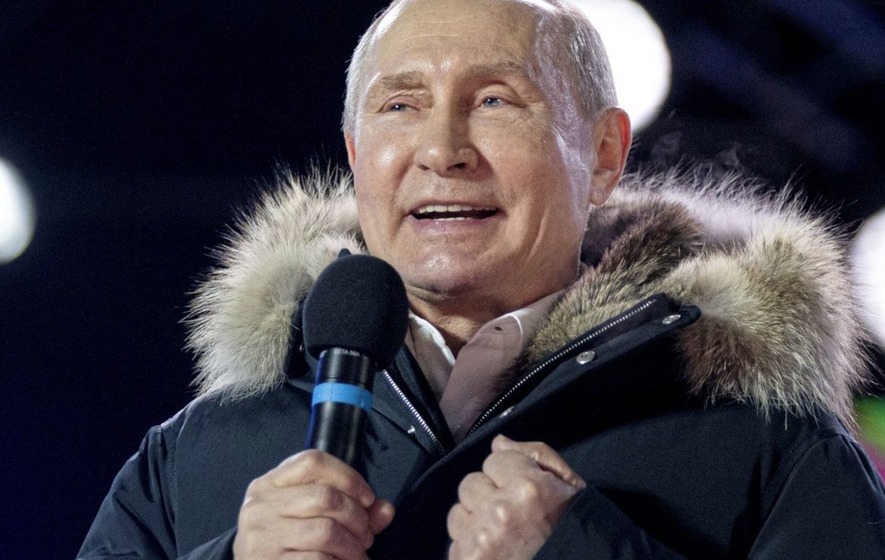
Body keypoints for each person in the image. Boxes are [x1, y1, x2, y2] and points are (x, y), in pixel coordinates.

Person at [78, 0, 885, 558]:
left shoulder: (773, 447)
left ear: (602, 154)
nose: (441, 150)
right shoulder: (192, 455)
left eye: (495, 99)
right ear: (358, 159)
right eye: (400, 106)